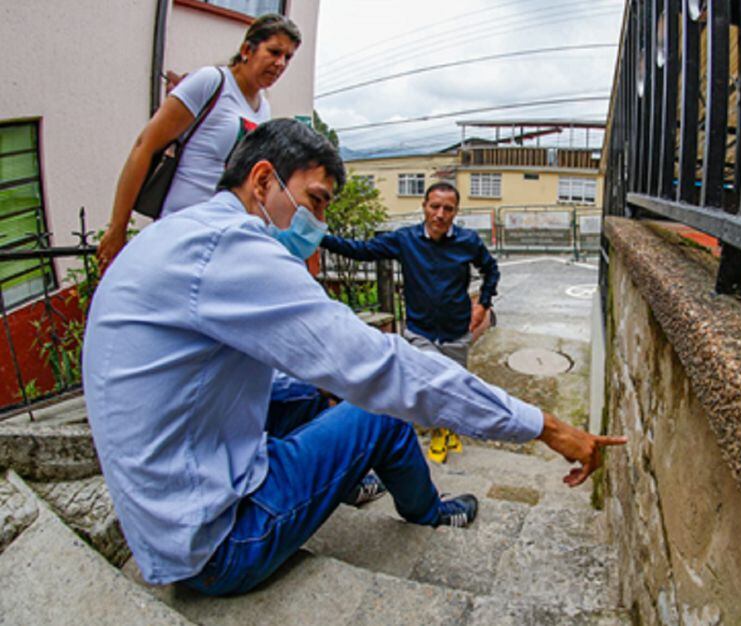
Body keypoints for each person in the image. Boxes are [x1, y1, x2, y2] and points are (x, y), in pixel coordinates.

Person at [81, 119, 624, 597]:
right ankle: (430, 511)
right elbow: (384, 366)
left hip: (163, 514)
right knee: (382, 412)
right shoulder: (230, 249)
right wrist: (542, 425)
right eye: (315, 200)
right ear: (263, 180)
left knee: (320, 390)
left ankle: (348, 477)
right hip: (217, 544)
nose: (317, 221)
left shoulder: (180, 233)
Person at [97, 13, 302, 270]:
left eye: (288, 57)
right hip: (180, 231)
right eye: (274, 52)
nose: (280, 63)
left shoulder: (264, 110)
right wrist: (118, 228)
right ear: (247, 50)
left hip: (223, 239)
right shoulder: (210, 83)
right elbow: (144, 146)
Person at [321, 182, 496, 463]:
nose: (440, 214)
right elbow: (360, 250)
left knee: (455, 384)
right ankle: (440, 432)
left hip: (456, 330)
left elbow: (491, 270)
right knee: (431, 383)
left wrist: (483, 304)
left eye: (447, 209)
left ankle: (450, 429)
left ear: (456, 212)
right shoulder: (405, 240)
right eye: (434, 206)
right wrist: (320, 237)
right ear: (424, 207)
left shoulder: (468, 242)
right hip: (421, 330)